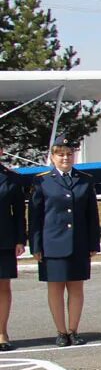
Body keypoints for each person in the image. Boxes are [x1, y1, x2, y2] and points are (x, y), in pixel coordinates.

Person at [28, 135, 101, 347]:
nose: (65, 158)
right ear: (52, 157)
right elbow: (35, 216)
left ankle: (73, 330)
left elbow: (92, 215)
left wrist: (93, 243)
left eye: (69, 154)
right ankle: (61, 331)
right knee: (56, 289)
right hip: (52, 243)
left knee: (76, 288)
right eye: (60, 154)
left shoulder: (85, 180)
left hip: (78, 242)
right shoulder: (42, 180)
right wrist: (36, 245)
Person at [0, 144, 27, 351]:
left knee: (3, 287)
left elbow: (18, 212)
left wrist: (20, 239)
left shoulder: (11, 178)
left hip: (4, 241)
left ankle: (2, 332)